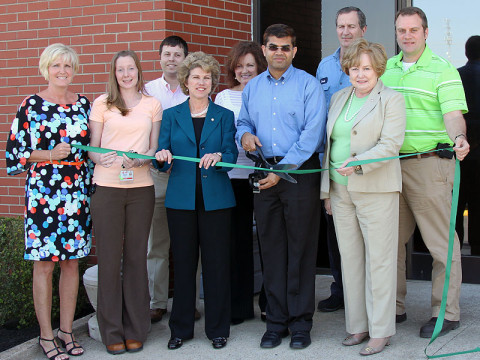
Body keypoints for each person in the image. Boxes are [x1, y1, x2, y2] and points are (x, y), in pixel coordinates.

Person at [381, 6, 470, 338]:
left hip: (430, 164)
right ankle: (393, 308)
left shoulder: (443, 69)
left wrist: (459, 136)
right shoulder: (386, 68)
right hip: (389, 168)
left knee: (440, 244)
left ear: (426, 32)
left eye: (413, 30)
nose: (406, 36)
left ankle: (446, 312)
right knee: (389, 243)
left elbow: (452, 113)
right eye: (401, 30)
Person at [237, 24, 326, 350]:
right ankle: (275, 322)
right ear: (264, 49)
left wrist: (283, 170)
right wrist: (243, 135)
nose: (279, 52)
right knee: (272, 250)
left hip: (298, 174)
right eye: (273, 47)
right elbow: (244, 121)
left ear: (294, 51)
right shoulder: (253, 87)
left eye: (285, 47)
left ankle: (301, 323)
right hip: (263, 171)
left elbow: (313, 135)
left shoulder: (308, 85)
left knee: (301, 251)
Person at [6, 43, 91, 360]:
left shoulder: (83, 104)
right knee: (44, 265)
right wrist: (48, 155)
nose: (63, 71)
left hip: (76, 194)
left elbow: (91, 148)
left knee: (71, 263)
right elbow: (15, 154)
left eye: (68, 66)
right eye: (57, 66)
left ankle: (66, 331)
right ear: (46, 68)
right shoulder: (31, 105)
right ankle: (46, 336)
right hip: (43, 194)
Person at [321, 38, 406, 356]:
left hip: (377, 190)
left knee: (380, 262)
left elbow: (390, 145)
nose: (360, 73)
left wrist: (358, 164)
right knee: (351, 261)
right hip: (340, 192)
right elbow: (328, 148)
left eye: (366, 68)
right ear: (347, 69)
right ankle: (357, 326)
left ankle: (381, 331)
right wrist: (326, 191)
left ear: (378, 69)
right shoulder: (339, 97)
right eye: (355, 67)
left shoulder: (392, 99)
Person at [155, 51, 238, 350]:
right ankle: (180, 329)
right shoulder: (171, 115)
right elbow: (162, 159)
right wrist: (162, 158)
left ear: (213, 82)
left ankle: (218, 329)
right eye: (195, 77)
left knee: (216, 265)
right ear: (186, 81)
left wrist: (219, 156)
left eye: (207, 77)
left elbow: (230, 156)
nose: (201, 82)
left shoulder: (225, 116)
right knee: (185, 264)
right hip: (180, 200)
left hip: (216, 200)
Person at [88, 50, 161, 354]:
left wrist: (142, 161)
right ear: (114, 73)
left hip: (141, 188)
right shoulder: (102, 104)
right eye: (121, 70)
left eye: (131, 68)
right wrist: (99, 156)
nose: (126, 74)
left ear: (138, 71)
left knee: (135, 259)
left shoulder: (152, 105)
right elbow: (92, 148)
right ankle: (111, 332)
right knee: (108, 259)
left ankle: (136, 328)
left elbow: (154, 150)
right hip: (106, 187)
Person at [144, 35, 203, 323]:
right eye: (167, 54)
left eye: (177, 55)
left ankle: (187, 302)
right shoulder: (148, 91)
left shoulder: (195, 90)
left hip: (187, 177)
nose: (172, 59)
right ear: (160, 57)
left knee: (188, 244)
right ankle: (157, 302)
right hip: (157, 175)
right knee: (157, 243)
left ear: (185, 59)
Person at [315, 6, 367, 313]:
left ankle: (365, 292)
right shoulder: (324, 66)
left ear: (362, 29)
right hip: (332, 164)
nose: (345, 32)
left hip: (365, 162)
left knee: (365, 230)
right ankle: (341, 289)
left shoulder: (374, 63)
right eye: (340, 26)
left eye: (351, 26)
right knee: (336, 231)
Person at [214, 41, 267, 325]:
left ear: (259, 66)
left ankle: (270, 304)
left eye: (250, 65)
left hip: (263, 177)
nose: (244, 70)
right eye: (239, 65)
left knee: (270, 242)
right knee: (237, 243)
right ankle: (240, 306)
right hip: (233, 179)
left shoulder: (267, 93)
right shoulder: (223, 98)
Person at [456, 35, 480, 255]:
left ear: (466, 53)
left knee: (457, 202)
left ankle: (455, 250)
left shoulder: (457, 76)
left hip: (460, 150)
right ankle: (477, 251)